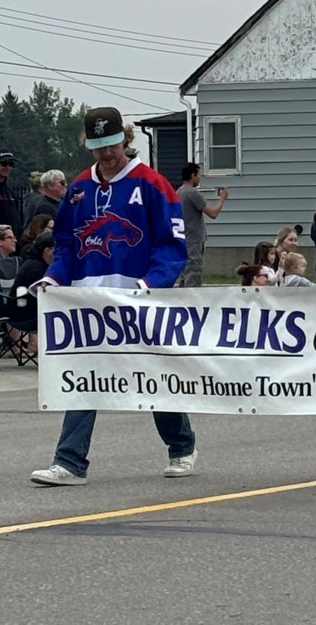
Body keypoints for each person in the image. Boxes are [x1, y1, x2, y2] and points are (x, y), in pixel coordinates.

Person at [29, 106, 194, 487]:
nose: (106, 154)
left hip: (138, 299)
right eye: (98, 147)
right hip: (89, 302)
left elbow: (171, 245)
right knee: (85, 377)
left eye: (113, 145)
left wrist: (150, 285)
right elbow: (67, 245)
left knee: (154, 375)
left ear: (126, 138)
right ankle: (69, 462)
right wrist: (54, 278)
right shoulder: (78, 190)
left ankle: (181, 446)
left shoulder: (152, 184)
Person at [177, 162, 227, 287]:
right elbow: (212, 213)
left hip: (183, 239)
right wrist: (222, 199)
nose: (199, 178)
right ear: (192, 176)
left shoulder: (178, 192)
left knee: (184, 275)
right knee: (194, 273)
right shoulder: (192, 193)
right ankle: (192, 303)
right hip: (193, 240)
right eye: (198, 175)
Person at [10, 230, 54, 326]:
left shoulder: (35, 263)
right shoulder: (36, 269)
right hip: (24, 314)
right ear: (47, 250)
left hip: (24, 309)